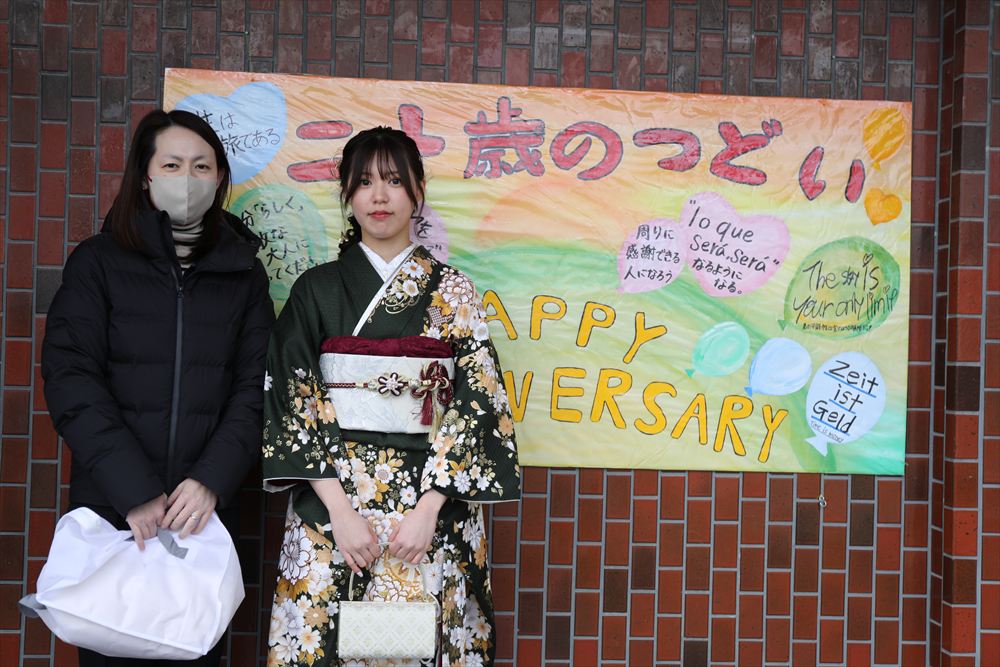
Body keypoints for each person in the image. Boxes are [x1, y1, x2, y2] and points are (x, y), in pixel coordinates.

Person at [262, 126, 521, 666]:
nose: (379, 196)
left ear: (418, 191)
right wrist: (340, 511)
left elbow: (479, 399)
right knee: (325, 646)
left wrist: (429, 509)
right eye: (364, 182)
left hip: (426, 512)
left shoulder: (453, 291)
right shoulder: (316, 290)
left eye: (395, 181)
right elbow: (292, 396)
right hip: (332, 507)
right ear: (347, 194)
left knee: (419, 647)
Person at [41, 109, 275, 666]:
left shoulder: (244, 274)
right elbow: (71, 378)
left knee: (192, 646)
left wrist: (212, 480)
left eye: (201, 166)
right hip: (113, 511)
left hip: (200, 519)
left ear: (220, 178)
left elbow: (257, 387)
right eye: (171, 165)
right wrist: (133, 489)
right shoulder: (97, 263)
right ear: (145, 176)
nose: (187, 179)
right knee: (109, 644)